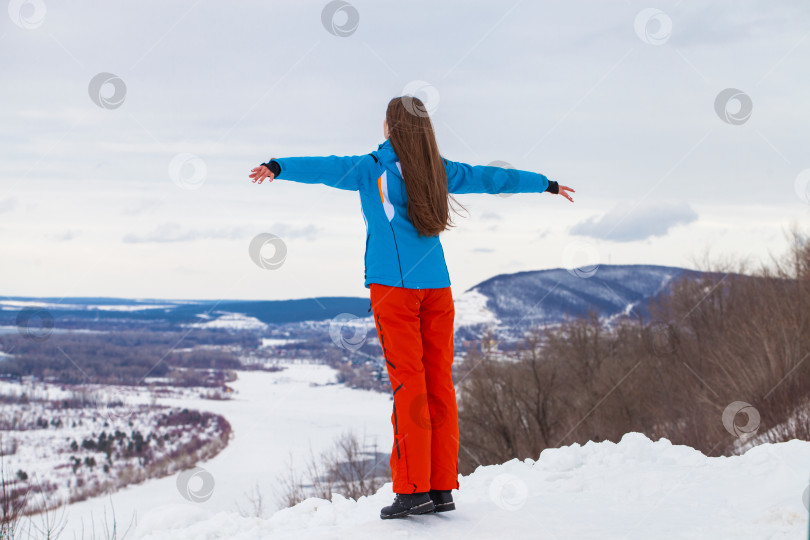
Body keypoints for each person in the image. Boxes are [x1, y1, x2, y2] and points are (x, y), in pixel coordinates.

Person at [248, 96, 575, 520]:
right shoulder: (439, 169)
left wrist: (278, 166)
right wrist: (545, 184)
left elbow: (325, 166)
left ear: (390, 128)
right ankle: (440, 487)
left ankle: (412, 490)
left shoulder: (371, 168)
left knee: (410, 387)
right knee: (439, 383)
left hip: (394, 291)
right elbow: (493, 179)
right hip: (438, 289)